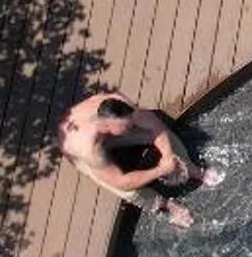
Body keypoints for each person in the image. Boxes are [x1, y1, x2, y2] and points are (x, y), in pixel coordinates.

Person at [58, 92, 217, 227]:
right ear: (108, 126)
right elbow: (123, 182)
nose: (132, 126)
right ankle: (168, 206)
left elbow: (156, 127)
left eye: (131, 122)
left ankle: (194, 170)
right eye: (127, 126)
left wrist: (168, 156)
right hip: (80, 152)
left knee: (157, 135)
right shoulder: (88, 150)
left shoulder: (118, 103)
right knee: (126, 191)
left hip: (104, 133)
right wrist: (161, 170)